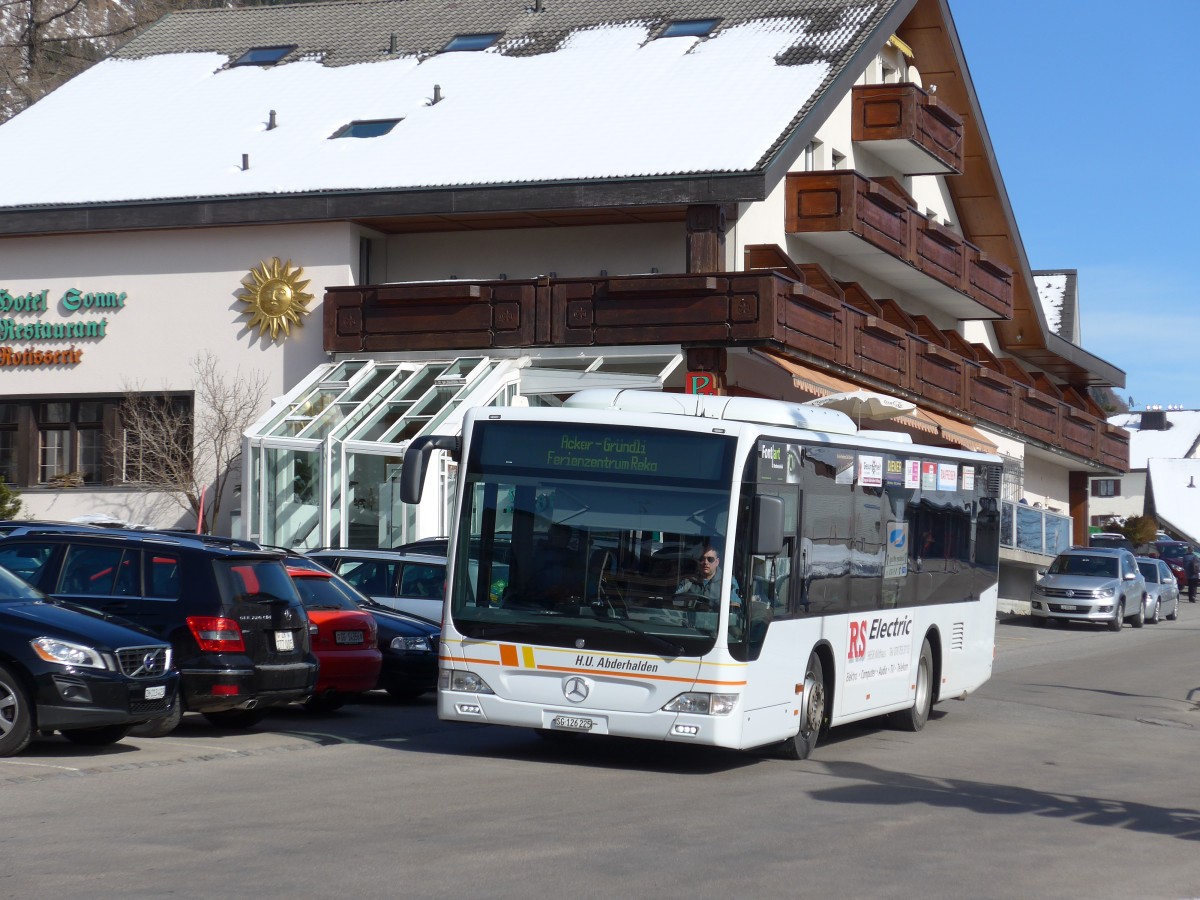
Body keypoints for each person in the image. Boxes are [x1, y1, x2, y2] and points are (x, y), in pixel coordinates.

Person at [675, 541, 741, 609]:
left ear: (717, 562)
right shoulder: (688, 581)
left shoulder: (728, 581)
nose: (705, 562)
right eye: (702, 559)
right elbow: (675, 601)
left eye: (710, 559)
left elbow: (735, 607)